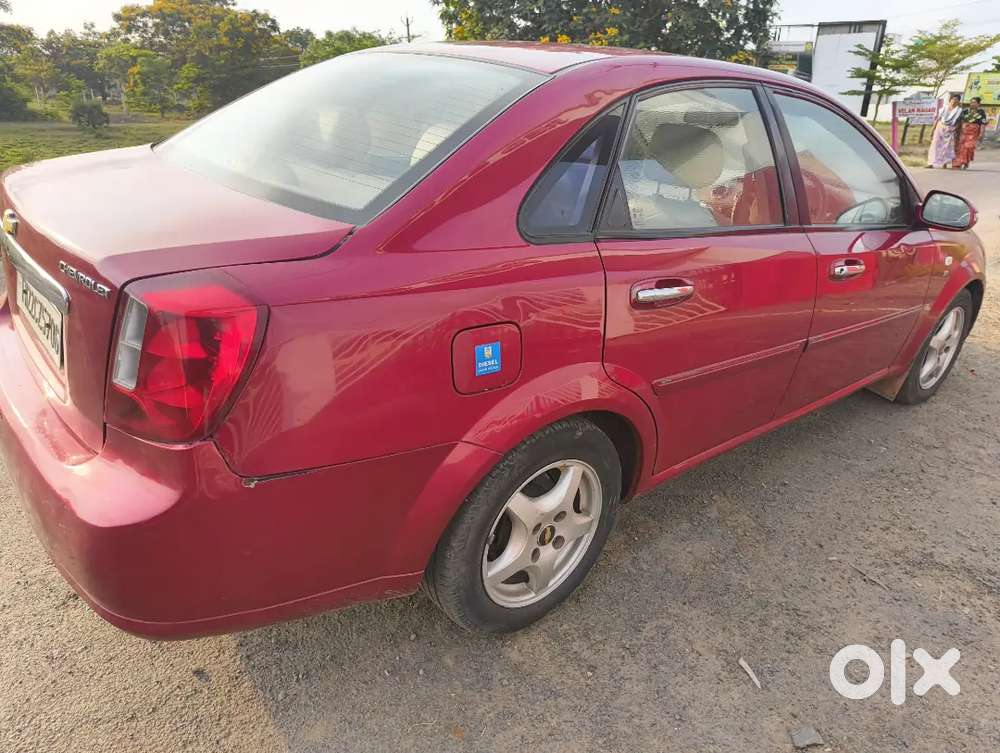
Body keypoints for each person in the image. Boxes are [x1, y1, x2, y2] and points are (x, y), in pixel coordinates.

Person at [927, 94, 962, 168]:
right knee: (935, 144)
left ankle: (944, 163)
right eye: (953, 99)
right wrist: (932, 130)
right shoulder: (944, 108)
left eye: (956, 100)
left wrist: (956, 130)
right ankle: (931, 163)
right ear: (950, 100)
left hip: (950, 128)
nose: (954, 101)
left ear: (959, 101)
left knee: (946, 146)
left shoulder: (959, 110)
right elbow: (937, 119)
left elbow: (959, 122)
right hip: (940, 127)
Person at [954, 96, 988, 169]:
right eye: (971, 102)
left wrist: (981, 134)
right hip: (963, 131)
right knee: (961, 147)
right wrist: (957, 130)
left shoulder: (981, 112)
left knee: (969, 147)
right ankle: (959, 163)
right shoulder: (965, 111)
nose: (972, 104)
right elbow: (960, 121)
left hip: (973, 133)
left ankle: (966, 162)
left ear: (978, 104)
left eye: (974, 102)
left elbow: (982, 123)